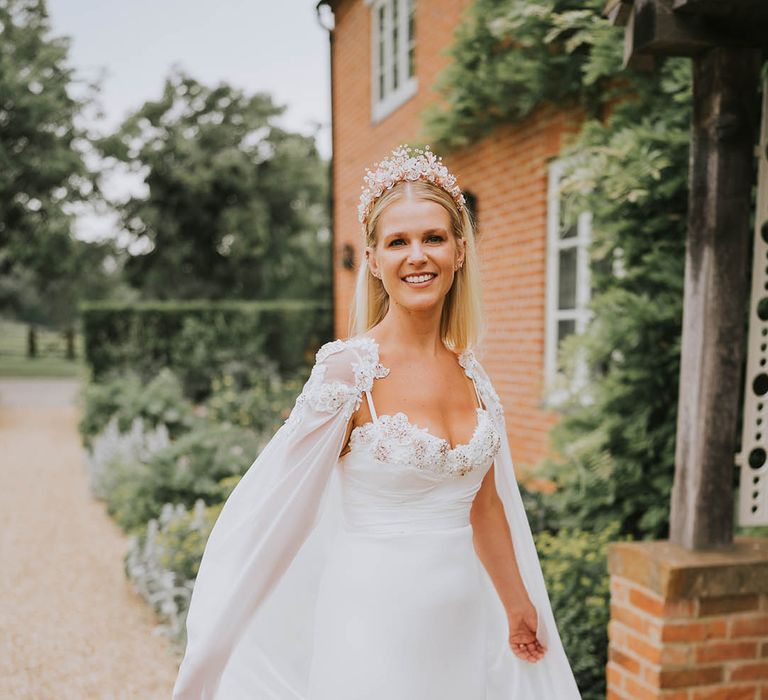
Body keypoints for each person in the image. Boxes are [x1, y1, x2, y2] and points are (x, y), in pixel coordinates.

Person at [171, 145, 581, 699]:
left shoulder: (474, 376)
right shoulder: (348, 371)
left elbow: (484, 505)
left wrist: (516, 604)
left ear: (460, 251)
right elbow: (281, 513)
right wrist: (216, 645)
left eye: (434, 238)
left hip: (459, 625)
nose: (418, 256)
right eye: (398, 242)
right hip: (371, 625)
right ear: (373, 258)